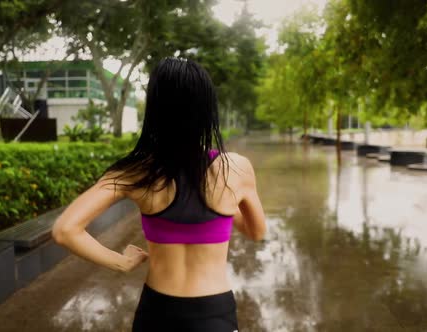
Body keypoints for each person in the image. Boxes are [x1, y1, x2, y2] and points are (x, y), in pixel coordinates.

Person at [51, 57, 266, 332]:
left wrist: (122, 262)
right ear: (206, 109)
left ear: (155, 109)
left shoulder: (136, 172)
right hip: (214, 314)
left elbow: (65, 230)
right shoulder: (236, 169)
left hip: (157, 313)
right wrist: (224, 207)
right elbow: (256, 232)